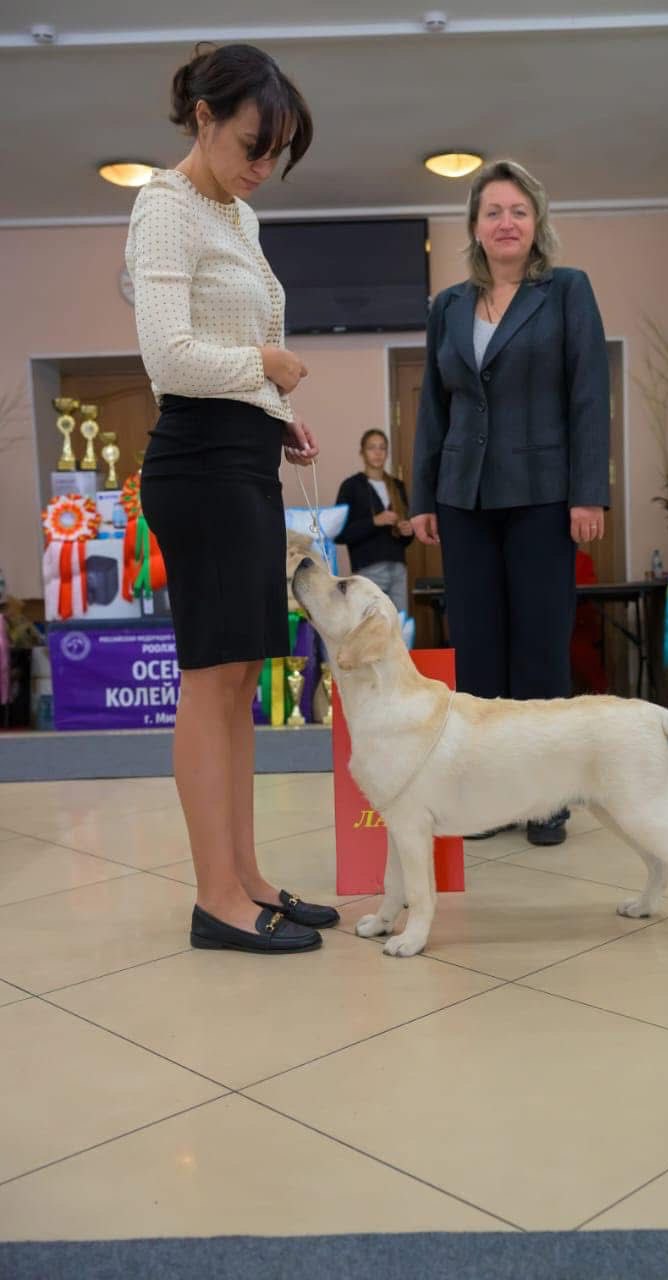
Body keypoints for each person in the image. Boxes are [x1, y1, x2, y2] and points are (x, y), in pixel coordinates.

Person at [127, 43, 339, 954]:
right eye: (255, 145)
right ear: (205, 118)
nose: (263, 168)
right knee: (210, 680)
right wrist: (264, 367)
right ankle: (215, 899)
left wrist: (276, 413)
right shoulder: (163, 208)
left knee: (243, 678)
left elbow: (236, 349)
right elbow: (169, 356)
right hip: (199, 465)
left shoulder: (237, 216)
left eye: (277, 154)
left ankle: (245, 875)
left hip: (243, 457)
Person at [411, 159, 609, 847]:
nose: (505, 223)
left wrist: (589, 493)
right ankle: (486, 801)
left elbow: (589, 397)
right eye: (492, 211)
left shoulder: (567, 291)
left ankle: (545, 800)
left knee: (540, 647)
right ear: (474, 225)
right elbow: (433, 408)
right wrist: (423, 494)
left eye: (518, 211)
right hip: (463, 499)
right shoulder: (448, 306)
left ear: (536, 223)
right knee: (477, 651)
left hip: (543, 498)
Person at [334, 430, 414, 613]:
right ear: (362, 452)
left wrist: (408, 532)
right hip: (367, 571)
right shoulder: (351, 486)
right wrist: (374, 522)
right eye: (371, 448)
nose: (377, 453)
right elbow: (339, 534)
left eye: (382, 448)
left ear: (387, 452)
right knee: (372, 624)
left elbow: (406, 540)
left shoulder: (398, 486)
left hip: (398, 569)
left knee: (399, 624)